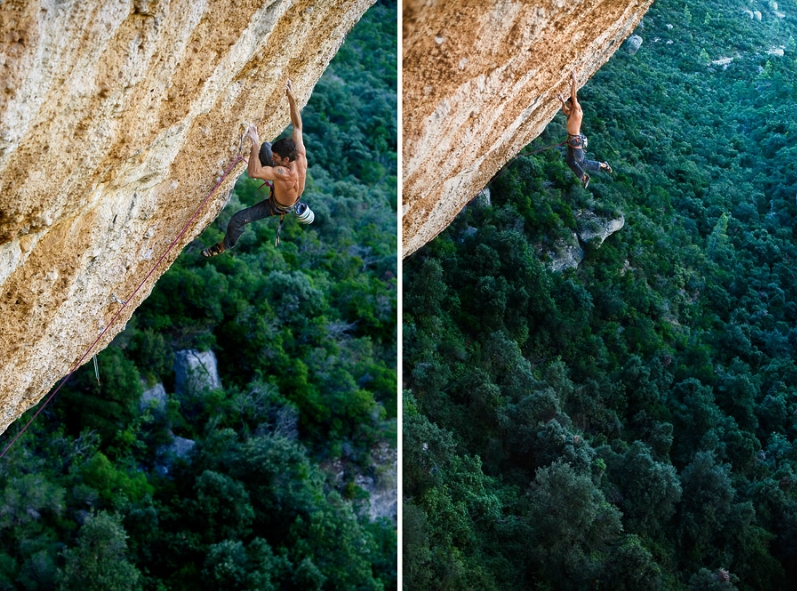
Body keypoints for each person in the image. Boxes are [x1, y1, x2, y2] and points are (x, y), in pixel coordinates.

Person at [202, 79, 313, 256]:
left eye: (276, 159)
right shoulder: (299, 153)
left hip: (276, 206)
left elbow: (253, 172)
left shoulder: (283, 173)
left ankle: (222, 247)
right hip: (289, 191)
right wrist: (291, 98)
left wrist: (254, 144)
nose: (273, 159)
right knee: (266, 147)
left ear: (284, 160)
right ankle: (264, 156)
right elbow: (298, 125)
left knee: (237, 220)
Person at [557, 70, 612, 189]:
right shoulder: (571, 112)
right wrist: (562, 101)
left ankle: (603, 165)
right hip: (572, 140)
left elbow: (574, 96)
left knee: (583, 162)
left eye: (569, 104)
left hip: (576, 140)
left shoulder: (577, 111)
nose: (569, 105)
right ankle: (583, 177)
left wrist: (574, 79)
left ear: (573, 104)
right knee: (570, 162)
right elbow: (565, 111)